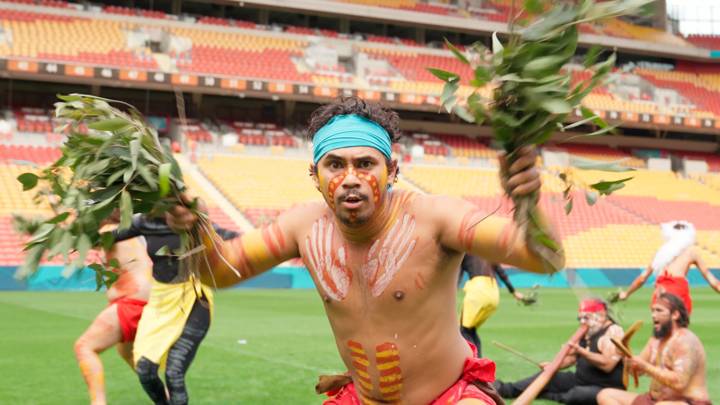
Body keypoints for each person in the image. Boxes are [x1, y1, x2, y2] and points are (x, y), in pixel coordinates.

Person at [167, 97, 564, 404]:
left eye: (365, 164)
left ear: (392, 170)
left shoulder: (436, 218)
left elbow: (545, 258)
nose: (350, 179)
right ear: (314, 175)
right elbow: (216, 272)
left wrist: (528, 201)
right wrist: (193, 230)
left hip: (450, 396)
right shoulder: (302, 227)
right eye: (335, 165)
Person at [111, 215, 239, 405]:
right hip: (161, 301)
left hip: (194, 299)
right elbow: (109, 236)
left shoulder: (192, 219)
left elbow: (227, 235)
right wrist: (76, 232)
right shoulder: (146, 221)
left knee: (174, 372)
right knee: (145, 370)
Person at [74, 218, 153, 405]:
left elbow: (84, 236)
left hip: (132, 301)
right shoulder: (126, 229)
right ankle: (168, 399)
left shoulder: (114, 229)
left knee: (84, 346)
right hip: (137, 301)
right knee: (128, 353)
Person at [493, 298, 625, 405]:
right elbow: (572, 359)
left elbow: (608, 365)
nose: (583, 322)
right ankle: (502, 389)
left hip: (604, 387)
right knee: (549, 378)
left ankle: (549, 395)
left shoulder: (613, 332)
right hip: (581, 379)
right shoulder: (589, 329)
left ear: (601, 315)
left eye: (587, 317)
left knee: (578, 394)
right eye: (581, 318)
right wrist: (553, 366)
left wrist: (581, 351)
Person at [597, 293, 711, 405]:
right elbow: (637, 371)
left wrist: (645, 366)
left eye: (659, 310)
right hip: (654, 400)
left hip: (688, 401)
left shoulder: (685, 341)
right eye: (653, 310)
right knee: (605, 395)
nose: (653, 315)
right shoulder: (655, 340)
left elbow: (679, 383)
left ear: (675, 315)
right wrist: (627, 359)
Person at [616, 221, 720, 314]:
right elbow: (712, 281)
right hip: (678, 290)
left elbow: (642, 278)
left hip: (661, 291)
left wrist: (626, 293)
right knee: (680, 329)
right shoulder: (691, 252)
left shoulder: (661, 252)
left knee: (661, 328)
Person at [459, 255, 527, 356]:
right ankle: (479, 361)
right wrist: (514, 292)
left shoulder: (465, 252)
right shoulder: (486, 251)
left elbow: (456, 274)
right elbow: (501, 272)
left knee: (464, 330)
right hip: (493, 292)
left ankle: (474, 363)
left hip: (478, 290)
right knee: (471, 330)